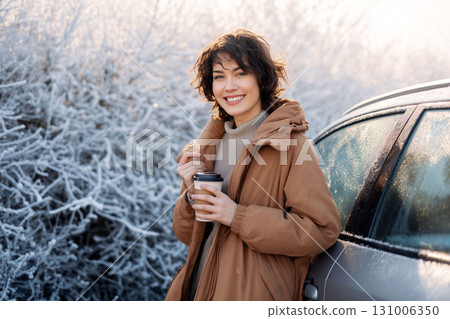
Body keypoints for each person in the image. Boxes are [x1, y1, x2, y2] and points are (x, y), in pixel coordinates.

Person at [165, 29, 340, 301]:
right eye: (219, 77)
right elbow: (187, 235)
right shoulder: (207, 146)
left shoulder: (292, 146)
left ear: (261, 78)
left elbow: (321, 230)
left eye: (240, 73)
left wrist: (237, 216)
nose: (229, 86)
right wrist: (190, 197)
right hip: (199, 291)